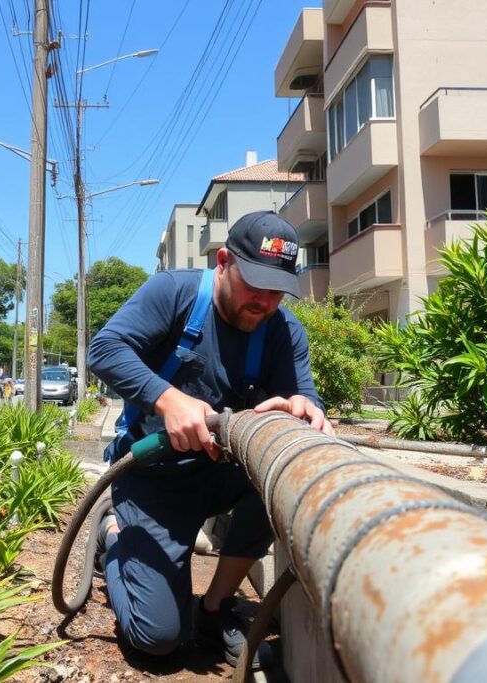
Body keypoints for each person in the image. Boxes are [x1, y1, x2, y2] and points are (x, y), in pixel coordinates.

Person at [88, 210, 333, 669]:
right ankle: (114, 534)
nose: (263, 301)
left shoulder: (283, 330)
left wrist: (309, 414)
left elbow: (307, 398)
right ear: (223, 261)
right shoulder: (174, 293)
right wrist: (167, 399)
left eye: (277, 290)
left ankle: (216, 607)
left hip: (225, 474)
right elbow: (103, 350)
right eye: (254, 284)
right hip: (155, 476)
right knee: (158, 640)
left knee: (285, 478)